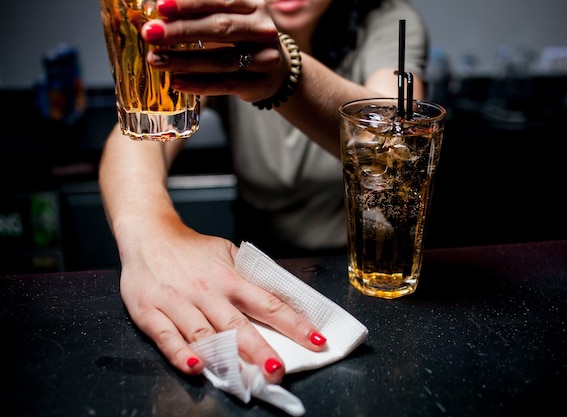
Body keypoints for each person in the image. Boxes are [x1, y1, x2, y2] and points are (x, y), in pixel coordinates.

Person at [98, 0, 429, 384]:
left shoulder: (385, 19)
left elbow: (397, 144)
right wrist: (152, 239)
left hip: (370, 284)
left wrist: (283, 73)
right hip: (256, 280)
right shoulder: (220, 29)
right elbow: (135, 141)